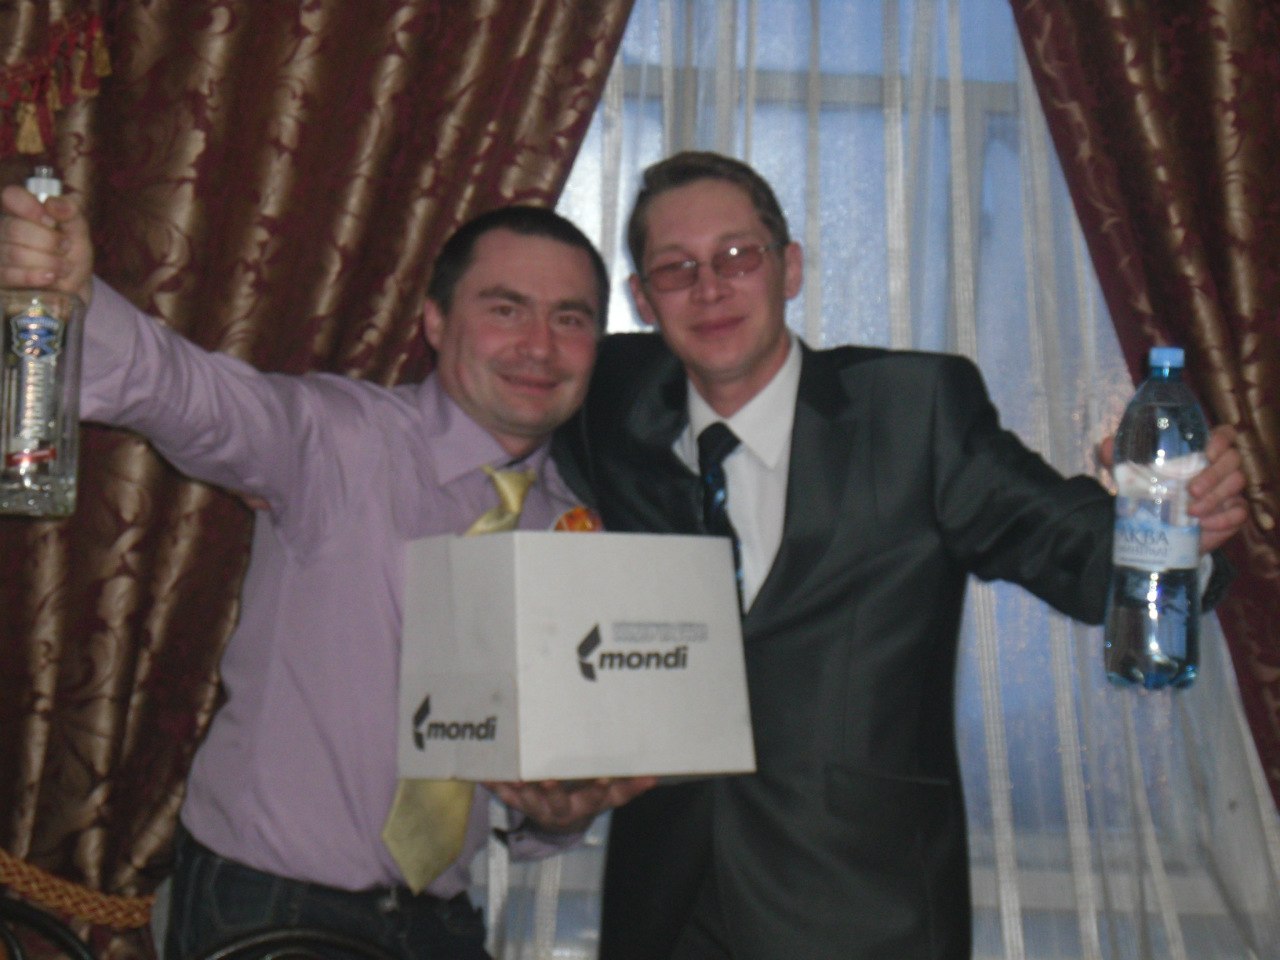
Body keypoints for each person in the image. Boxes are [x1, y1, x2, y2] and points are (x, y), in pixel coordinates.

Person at [554, 151, 1249, 960]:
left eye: (738, 256)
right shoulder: (611, 403)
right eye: (676, 269)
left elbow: (1061, 542)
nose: (710, 288)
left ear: (789, 268)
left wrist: (1170, 528)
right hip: (667, 915)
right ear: (643, 300)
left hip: (867, 909)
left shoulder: (912, 412)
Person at [0, 187, 654, 960]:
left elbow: (532, 778)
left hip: (441, 922)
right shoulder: (342, 439)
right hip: (274, 905)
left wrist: (560, 812)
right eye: (506, 309)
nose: (539, 346)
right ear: (435, 323)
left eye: (570, 319)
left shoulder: (573, 532)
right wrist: (76, 296)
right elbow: (189, 394)